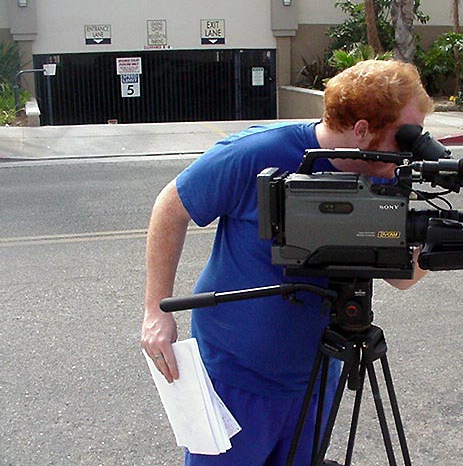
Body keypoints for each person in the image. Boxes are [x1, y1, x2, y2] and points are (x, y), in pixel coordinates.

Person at [141, 59, 433, 465]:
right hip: (235, 379)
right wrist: (156, 310)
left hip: (315, 378)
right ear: (362, 130)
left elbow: (398, 278)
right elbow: (172, 206)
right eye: (403, 139)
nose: (407, 154)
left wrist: (437, 251)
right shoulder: (257, 152)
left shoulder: (379, 172)